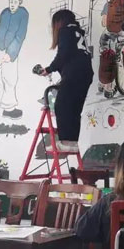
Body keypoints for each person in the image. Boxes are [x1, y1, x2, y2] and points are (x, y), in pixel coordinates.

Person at [38, 9, 93, 153]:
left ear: (59, 22)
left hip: (74, 74)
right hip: (86, 74)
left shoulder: (65, 31)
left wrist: (49, 69)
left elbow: (62, 55)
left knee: (62, 106)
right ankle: (73, 143)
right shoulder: (78, 32)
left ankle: (65, 141)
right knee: (75, 109)